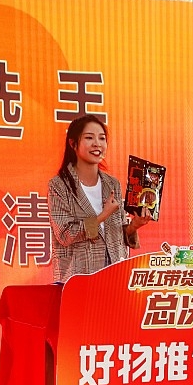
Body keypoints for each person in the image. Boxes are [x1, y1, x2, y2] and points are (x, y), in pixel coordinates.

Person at [48, 114, 152, 283]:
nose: (97, 143)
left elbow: (115, 233)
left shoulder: (112, 184)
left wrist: (134, 225)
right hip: (79, 279)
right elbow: (65, 235)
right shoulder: (59, 185)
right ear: (73, 143)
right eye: (89, 138)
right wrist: (102, 216)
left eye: (102, 138)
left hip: (116, 275)